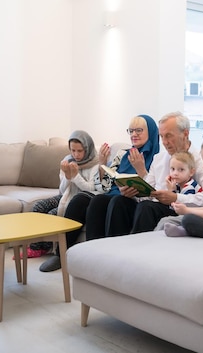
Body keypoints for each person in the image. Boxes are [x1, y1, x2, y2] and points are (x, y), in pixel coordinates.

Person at [39, 114, 160, 272]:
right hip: (112, 193)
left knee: (107, 201)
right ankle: (64, 254)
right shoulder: (122, 154)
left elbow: (154, 192)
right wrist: (103, 163)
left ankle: (104, 257)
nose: (134, 134)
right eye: (131, 131)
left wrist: (140, 170)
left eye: (139, 130)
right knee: (81, 199)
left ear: (150, 132)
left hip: (133, 200)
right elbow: (105, 185)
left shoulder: (158, 157)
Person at [127, 112, 203, 234]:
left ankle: (138, 249)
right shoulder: (158, 158)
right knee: (116, 201)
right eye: (162, 136)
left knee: (146, 208)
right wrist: (133, 192)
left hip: (180, 209)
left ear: (185, 134)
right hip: (153, 206)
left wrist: (176, 198)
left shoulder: (201, 160)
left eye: (169, 136)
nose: (164, 142)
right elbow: (147, 195)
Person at [32, 131, 100, 268]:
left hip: (79, 199)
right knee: (38, 207)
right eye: (73, 150)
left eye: (80, 151)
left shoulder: (95, 164)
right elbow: (62, 190)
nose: (76, 155)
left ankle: (51, 250)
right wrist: (67, 177)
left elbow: (91, 189)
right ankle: (36, 247)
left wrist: (75, 176)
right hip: (66, 195)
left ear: (88, 148)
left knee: (52, 215)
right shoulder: (67, 160)